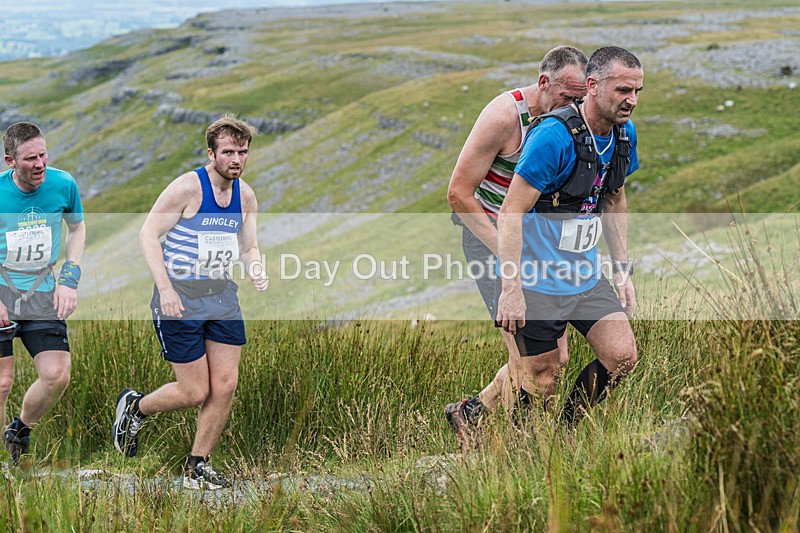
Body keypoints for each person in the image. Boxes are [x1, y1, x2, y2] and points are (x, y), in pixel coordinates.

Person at [112, 116, 268, 490]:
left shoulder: (245, 196)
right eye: (228, 151)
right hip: (179, 297)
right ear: (211, 153)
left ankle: (197, 466)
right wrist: (165, 290)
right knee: (194, 391)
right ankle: (135, 408)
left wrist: (256, 269)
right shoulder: (187, 188)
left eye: (242, 152)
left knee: (226, 386)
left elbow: (247, 246)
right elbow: (148, 235)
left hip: (222, 297)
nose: (236, 159)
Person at [444, 45, 588, 445]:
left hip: (537, 248)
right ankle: (519, 448)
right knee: (531, 361)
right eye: (567, 98)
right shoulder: (505, 117)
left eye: (581, 100)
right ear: (544, 83)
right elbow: (458, 193)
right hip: (490, 241)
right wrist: (509, 255)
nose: (574, 108)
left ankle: (471, 414)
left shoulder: (571, 125)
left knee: (556, 360)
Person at [495, 46, 642, 429]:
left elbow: (614, 197)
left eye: (638, 91)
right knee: (543, 379)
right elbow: (510, 212)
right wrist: (511, 288)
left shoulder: (625, 136)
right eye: (623, 90)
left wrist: (622, 270)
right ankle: (512, 448)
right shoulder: (552, 137)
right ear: (593, 86)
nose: (632, 100)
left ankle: (566, 434)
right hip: (536, 277)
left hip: (584, 275)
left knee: (622, 356)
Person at [1, 122, 85, 466]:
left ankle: (19, 430)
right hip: (3, 287)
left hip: (42, 289)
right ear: (10, 161)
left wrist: (69, 278)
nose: (39, 164)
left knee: (56, 374)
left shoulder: (63, 183)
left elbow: (77, 227)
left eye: (43, 155)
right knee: (3, 383)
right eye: (30, 159)